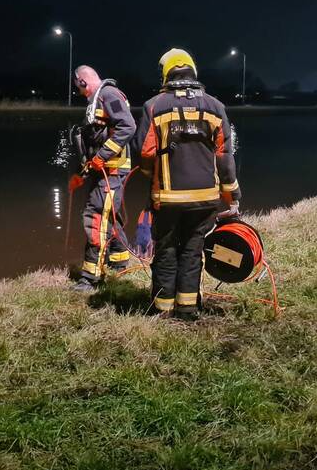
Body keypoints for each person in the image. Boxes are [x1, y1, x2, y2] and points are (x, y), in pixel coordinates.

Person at [132, 48, 241, 318]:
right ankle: (188, 308)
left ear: (167, 72)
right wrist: (232, 192)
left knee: (166, 251)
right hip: (206, 199)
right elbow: (224, 155)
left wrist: (151, 175)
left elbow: (144, 152)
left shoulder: (154, 106)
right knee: (193, 252)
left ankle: (162, 310)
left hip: (168, 199)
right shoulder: (216, 107)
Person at [71, 65, 136, 292]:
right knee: (111, 218)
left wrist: (102, 155)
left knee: (95, 217)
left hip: (112, 172)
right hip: (102, 171)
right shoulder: (97, 101)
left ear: (82, 81)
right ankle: (119, 262)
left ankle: (90, 278)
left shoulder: (108, 95)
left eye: (77, 87)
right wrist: (82, 172)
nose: (78, 92)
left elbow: (128, 126)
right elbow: (94, 138)